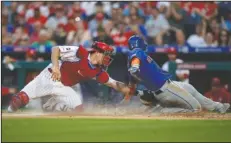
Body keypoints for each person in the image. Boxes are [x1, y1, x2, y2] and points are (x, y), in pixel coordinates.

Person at [7, 42, 133, 113]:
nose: (108, 58)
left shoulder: (98, 71)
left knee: (79, 109)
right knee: (20, 100)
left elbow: (113, 83)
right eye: (106, 54)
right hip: (50, 76)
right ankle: (8, 114)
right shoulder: (80, 53)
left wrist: (127, 90)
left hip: (63, 87)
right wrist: (56, 66)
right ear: (98, 52)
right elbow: (55, 49)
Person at [124, 35, 230, 114]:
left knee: (190, 88)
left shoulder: (134, 62)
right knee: (196, 109)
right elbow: (135, 59)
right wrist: (135, 66)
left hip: (170, 84)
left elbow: (132, 83)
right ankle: (161, 111)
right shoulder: (136, 51)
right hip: (165, 89)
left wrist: (133, 91)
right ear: (138, 43)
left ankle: (221, 107)